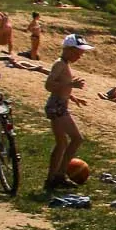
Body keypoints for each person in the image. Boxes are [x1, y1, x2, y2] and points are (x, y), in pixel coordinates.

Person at [43, 34, 91, 192]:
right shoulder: (59, 64)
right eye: (78, 53)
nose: (80, 56)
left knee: (62, 143)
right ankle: (60, 175)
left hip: (59, 105)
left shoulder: (65, 64)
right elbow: (49, 85)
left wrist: (73, 96)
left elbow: (60, 86)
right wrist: (71, 84)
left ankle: (53, 178)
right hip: (57, 107)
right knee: (76, 139)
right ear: (69, 49)